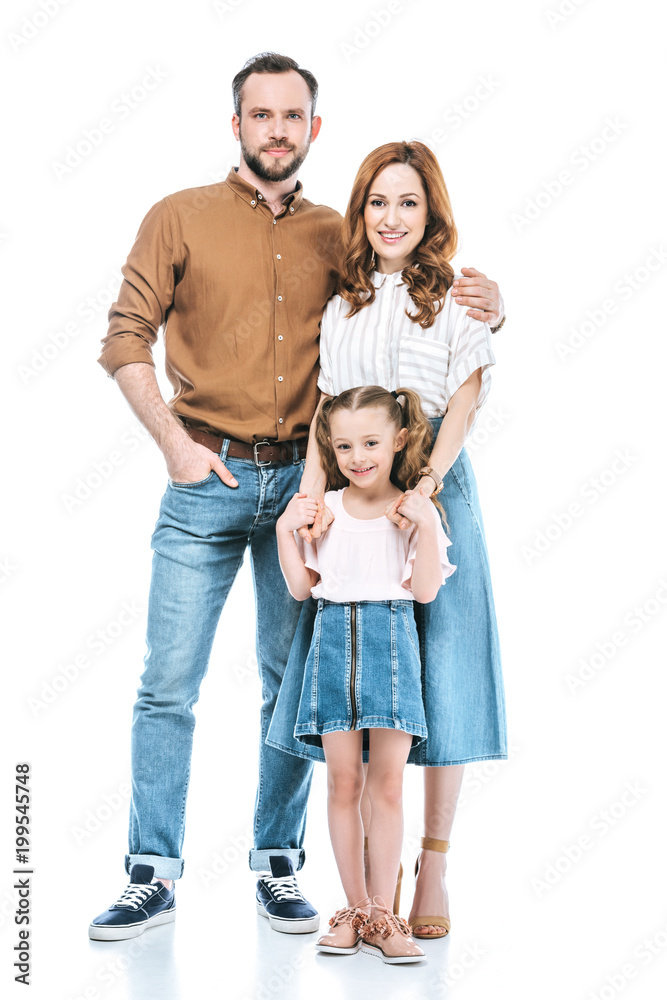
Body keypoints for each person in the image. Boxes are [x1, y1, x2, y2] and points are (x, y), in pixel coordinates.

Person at [88, 50, 505, 941]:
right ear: (235, 124)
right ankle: (150, 871)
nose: (275, 129)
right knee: (168, 682)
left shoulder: (335, 239)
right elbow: (122, 337)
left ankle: (280, 865)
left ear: (312, 129)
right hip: (208, 477)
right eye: (259, 114)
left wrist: (490, 306)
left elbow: (414, 317)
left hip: (316, 484)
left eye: (292, 116)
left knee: (294, 688)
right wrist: (173, 444)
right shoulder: (178, 217)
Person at [267, 140, 507, 941]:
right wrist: (310, 499)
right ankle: (368, 879)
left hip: (432, 483)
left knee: (445, 667)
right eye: (377, 202)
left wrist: (425, 489)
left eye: (407, 202)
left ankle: (431, 860)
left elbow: (464, 405)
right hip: (350, 488)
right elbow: (323, 416)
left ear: (430, 213)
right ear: (359, 212)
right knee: (353, 665)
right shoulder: (343, 305)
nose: (391, 217)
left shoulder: (458, 297)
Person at [276, 385, 455, 964]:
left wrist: (427, 525)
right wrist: (285, 530)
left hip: (393, 653)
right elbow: (302, 588)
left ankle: (385, 914)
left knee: (388, 785)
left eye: (372, 442)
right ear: (330, 447)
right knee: (343, 784)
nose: (358, 457)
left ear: (398, 440)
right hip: (332, 652)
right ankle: (353, 910)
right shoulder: (323, 510)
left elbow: (424, 590)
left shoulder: (410, 512)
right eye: (345, 445)